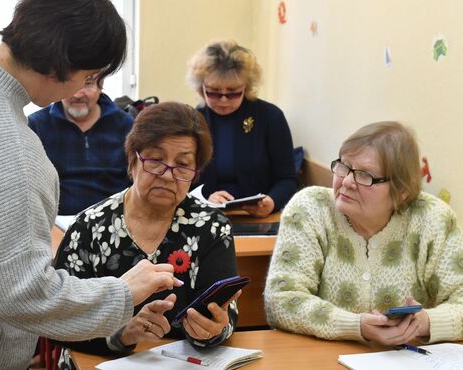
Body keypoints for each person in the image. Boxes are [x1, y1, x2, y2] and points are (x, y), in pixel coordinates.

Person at [0, 1, 180, 369]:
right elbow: (22, 295)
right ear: (60, 66)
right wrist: (123, 291)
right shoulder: (12, 154)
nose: (87, 88)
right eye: (88, 77)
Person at [53, 102, 240, 369]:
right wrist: (121, 334)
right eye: (156, 161)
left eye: (183, 165)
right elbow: (59, 322)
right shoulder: (89, 227)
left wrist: (213, 331)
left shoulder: (210, 227)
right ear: (133, 160)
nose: (167, 175)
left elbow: (226, 315)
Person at [264, 121, 463, 346]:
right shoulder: (311, 208)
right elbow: (280, 301)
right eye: (344, 166)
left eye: (365, 175)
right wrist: (356, 326)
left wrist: (425, 322)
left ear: (402, 192)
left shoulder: (433, 219)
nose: (347, 182)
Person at [186, 40, 298, 217]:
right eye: (214, 92)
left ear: (246, 88)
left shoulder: (270, 117)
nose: (223, 100)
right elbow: (181, 178)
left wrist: (272, 201)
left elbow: (287, 179)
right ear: (201, 88)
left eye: (233, 92)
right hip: (205, 217)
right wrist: (206, 199)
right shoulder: (191, 121)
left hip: (259, 219)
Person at [28, 80, 133, 215]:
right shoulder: (36, 126)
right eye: (69, 83)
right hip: (56, 224)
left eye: (87, 84)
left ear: (100, 86)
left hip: (114, 222)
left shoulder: (126, 126)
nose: (78, 94)